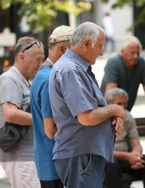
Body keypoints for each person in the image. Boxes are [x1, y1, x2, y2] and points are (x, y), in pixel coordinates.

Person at [48, 22, 126, 188]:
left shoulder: (76, 68)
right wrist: (115, 109)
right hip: (80, 156)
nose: (101, 52)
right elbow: (87, 117)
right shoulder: (70, 69)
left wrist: (115, 114)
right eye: (100, 46)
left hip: (83, 155)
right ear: (87, 43)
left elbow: (94, 109)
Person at [0, 36, 44, 188]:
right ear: (22, 57)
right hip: (20, 157)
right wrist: (44, 119)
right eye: (37, 59)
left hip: (27, 157)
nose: (40, 64)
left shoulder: (22, 80)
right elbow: (10, 114)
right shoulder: (9, 79)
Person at [30, 25, 74, 188]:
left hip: (48, 160)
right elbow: (51, 130)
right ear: (62, 49)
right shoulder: (49, 79)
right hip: (55, 163)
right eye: (73, 51)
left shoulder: (43, 74)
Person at [100, 36, 145, 119]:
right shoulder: (113, 63)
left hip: (124, 113)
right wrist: (111, 115)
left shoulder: (141, 63)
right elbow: (111, 90)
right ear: (123, 52)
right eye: (132, 53)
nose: (136, 56)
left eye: (138, 53)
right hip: (109, 113)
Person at [103, 87, 145, 188]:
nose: (122, 107)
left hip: (125, 159)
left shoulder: (127, 116)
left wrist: (135, 156)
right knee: (111, 163)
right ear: (108, 103)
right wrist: (128, 156)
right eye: (119, 104)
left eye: (125, 104)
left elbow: (136, 144)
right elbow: (102, 151)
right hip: (105, 159)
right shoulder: (101, 118)